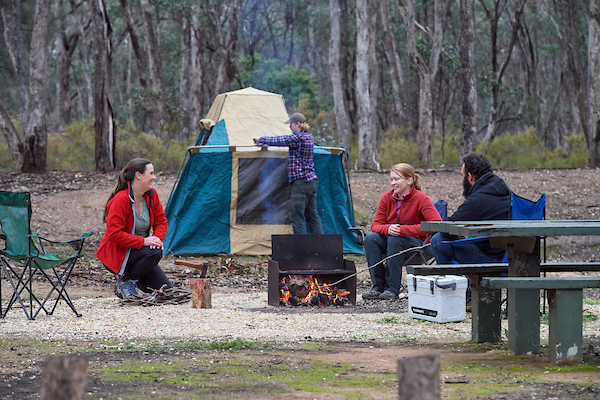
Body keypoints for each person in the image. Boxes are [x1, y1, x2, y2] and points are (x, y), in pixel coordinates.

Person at [362, 163, 442, 301]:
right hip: (392, 244)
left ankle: (393, 289)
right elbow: (375, 225)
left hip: (419, 247)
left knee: (395, 239)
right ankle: (378, 286)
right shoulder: (387, 198)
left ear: (409, 180)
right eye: (391, 179)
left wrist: (403, 230)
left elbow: (437, 224)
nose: (393, 183)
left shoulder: (421, 198)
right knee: (370, 238)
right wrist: (388, 228)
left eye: (397, 179)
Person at [96, 158, 172, 299]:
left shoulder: (151, 195)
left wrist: (156, 239)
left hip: (141, 253)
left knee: (167, 293)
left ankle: (133, 279)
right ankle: (126, 281)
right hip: (119, 253)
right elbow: (114, 234)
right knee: (155, 253)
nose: (154, 177)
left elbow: (162, 221)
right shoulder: (120, 199)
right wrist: (144, 242)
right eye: (151, 173)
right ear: (138, 175)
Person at [430, 153, 511, 264]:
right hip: (511, 254)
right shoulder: (507, 192)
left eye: (463, 176)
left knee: (437, 240)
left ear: (470, 176)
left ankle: (449, 280)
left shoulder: (477, 199)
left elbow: (447, 230)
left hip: (491, 257)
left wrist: (459, 234)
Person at [253, 112, 324, 235]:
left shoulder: (298, 138)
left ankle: (302, 249)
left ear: (297, 124)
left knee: (297, 215)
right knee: (313, 215)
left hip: (301, 183)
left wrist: (261, 140)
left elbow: (281, 140)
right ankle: (320, 247)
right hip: (312, 182)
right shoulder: (309, 137)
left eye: (291, 125)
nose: (290, 128)